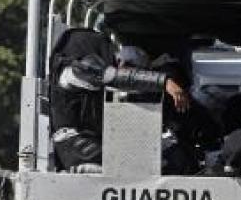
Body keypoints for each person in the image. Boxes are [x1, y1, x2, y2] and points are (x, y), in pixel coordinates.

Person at [48, 29, 189, 173]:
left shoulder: (79, 79)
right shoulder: (71, 73)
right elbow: (110, 76)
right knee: (152, 162)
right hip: (81, 149)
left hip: (87, 146)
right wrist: (163, 82)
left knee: (162, 154)